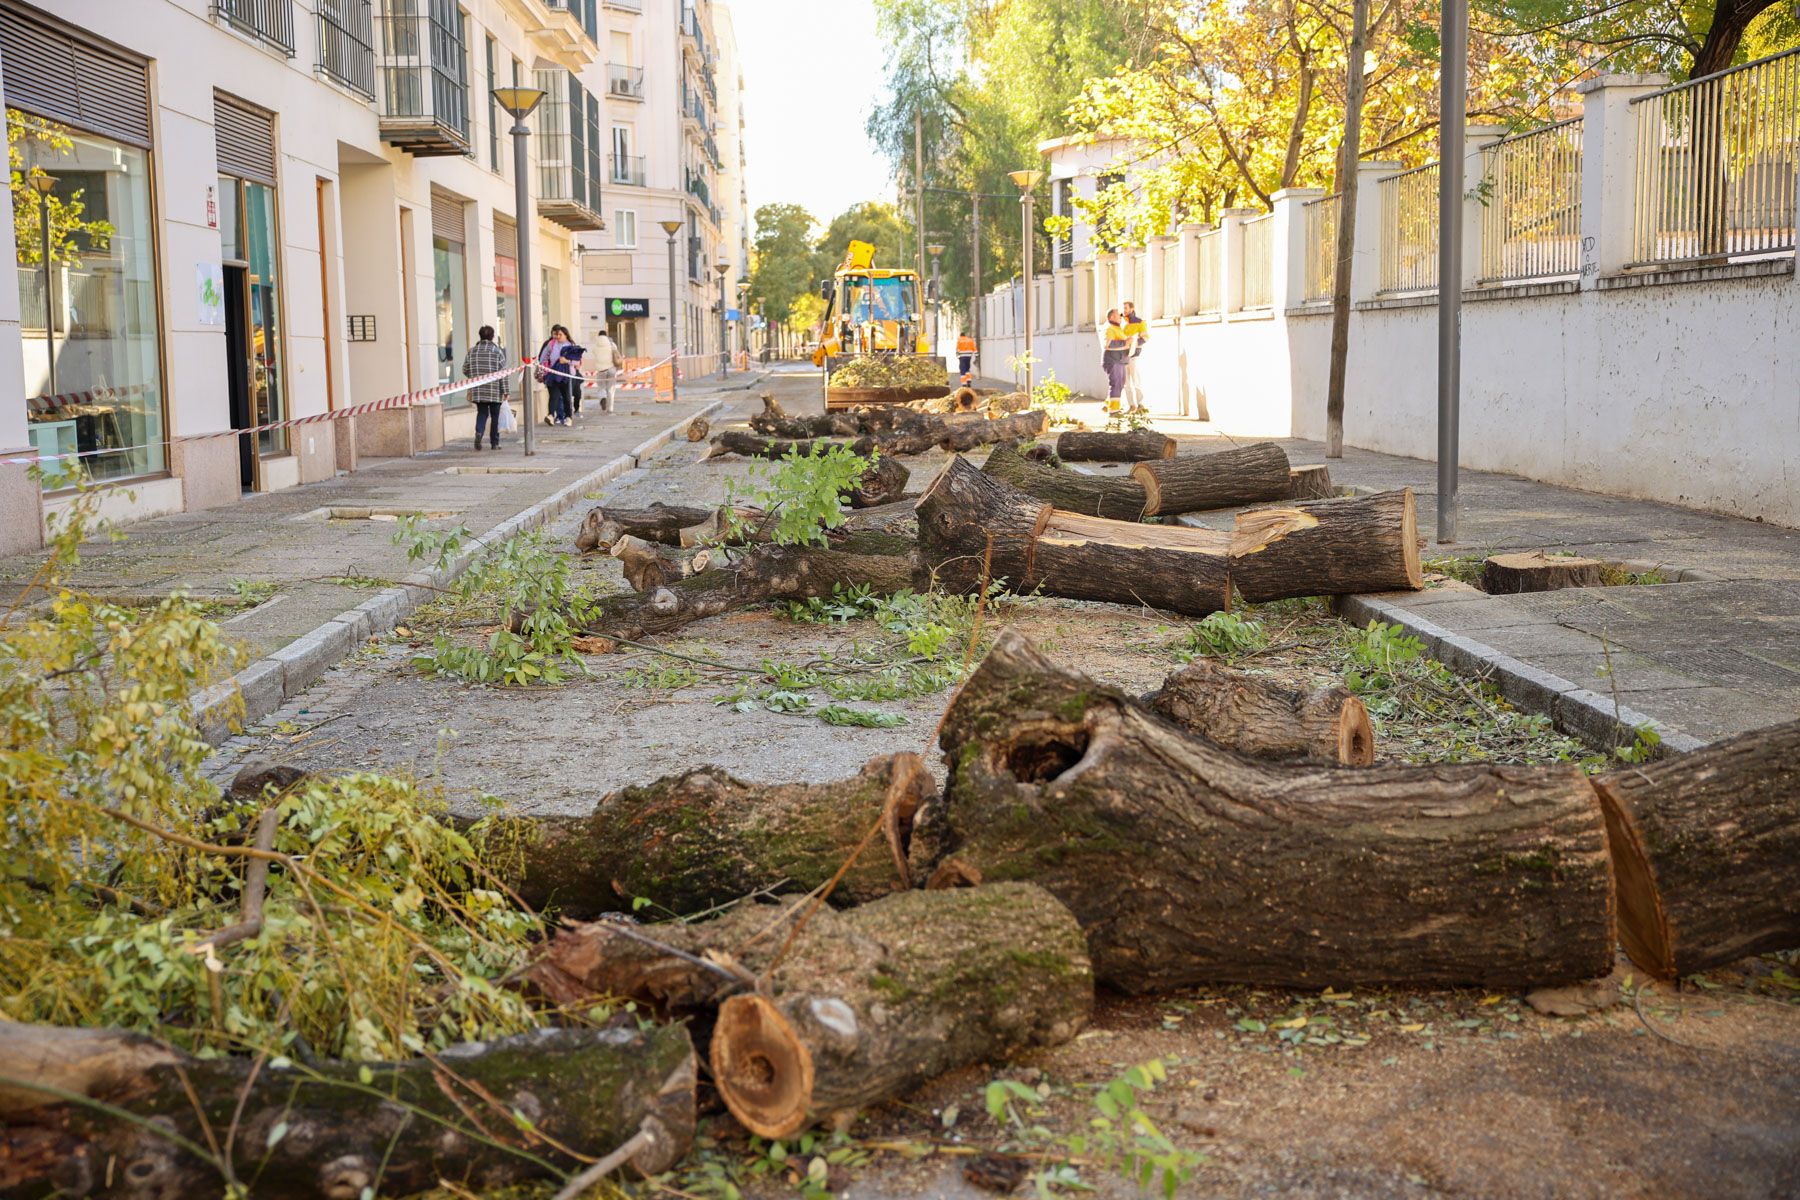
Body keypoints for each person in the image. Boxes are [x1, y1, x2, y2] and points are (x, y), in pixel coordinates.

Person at [462, 324, 510, 451]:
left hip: (479, 389)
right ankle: (494, 443)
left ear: (480, 336)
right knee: (495, 416)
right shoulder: (497, 352)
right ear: (493, 337)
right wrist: (506, 390)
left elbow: (465, 369)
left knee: (482, 413)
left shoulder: (472, 351)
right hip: (495, 390)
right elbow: (503, 373)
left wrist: (474, 376)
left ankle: (479, 432)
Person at [536, 325, 571, 426]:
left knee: (566, 397)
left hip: (565, 375)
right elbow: (542, 357)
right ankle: (551, 416)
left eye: (560, 334)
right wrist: (543, 367)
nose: (558, 336)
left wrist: (567, 361)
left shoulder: (570, 345)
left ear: (566, 335)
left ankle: (568, 417)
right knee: (554, 396)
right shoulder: (551, 344)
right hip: (552, 374)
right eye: (557, 334)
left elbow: (576, 361)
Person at [1121, 300, 1148, 413]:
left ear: (1132, 309)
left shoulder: (1140, 322)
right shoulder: (1122, 323)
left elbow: (1145, 338)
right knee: (1126, 383)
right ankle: (1131, 406)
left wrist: (1133, 343)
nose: (1124, 310)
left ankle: (1141, 405)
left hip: (1134, 356)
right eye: (1123, 308)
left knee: (1136, 381)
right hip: (1122, 356)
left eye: (1126, 308)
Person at [1101, 309, 1130, 415]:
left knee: (1120, 384)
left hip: (1119, 361)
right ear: (1111, 317)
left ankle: (1108, 405)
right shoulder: (1109, 328)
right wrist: (1125, 342)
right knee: (1116, 384)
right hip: (1113, 360)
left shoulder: (1118, 328)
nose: (1121, 316)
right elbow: (1107, 344)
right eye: (1119, 315)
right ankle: (1114, 411)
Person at [591, 326, 624, 414]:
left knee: (601, 387)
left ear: (598, 336)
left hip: (601, 370)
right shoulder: (611, 344)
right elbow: (616, 353)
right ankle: (610, 408)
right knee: (611, 389)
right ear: (606, 336)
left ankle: (603, 398)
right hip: (611, 369)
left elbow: (593, 353)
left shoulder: (595, 345)